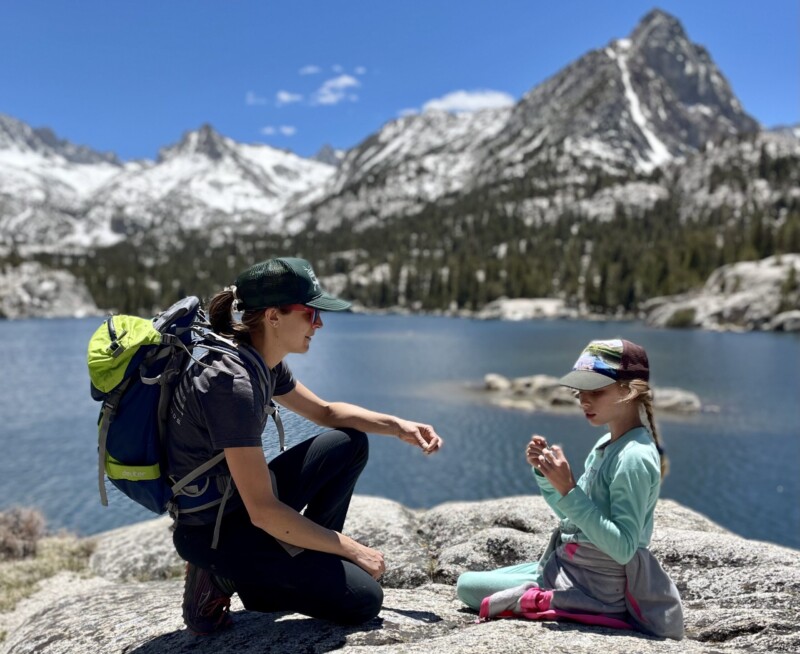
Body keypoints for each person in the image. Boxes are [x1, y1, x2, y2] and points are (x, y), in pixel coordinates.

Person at [166, 256, 443, 634]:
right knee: (363, 601)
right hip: (214, 532)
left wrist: (397, 426)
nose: (320, 323)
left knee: (348, 444)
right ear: (272, 316)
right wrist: (350, 548)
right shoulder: (233, 385)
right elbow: (263, 511)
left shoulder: (260, 360)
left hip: (236, 507)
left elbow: (327, 413)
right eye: (310, 313)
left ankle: (277, 578)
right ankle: (218, 577)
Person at [456, 339, 683, 639]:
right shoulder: (607, 444)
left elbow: (625, 548)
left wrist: (570, 489)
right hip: (572, 563)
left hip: (596, 584)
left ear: (628, 391)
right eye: (580, 392)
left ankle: (574, 603)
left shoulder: (634, 457)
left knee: (466, 586)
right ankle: (545, 587)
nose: (584, 401)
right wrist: (549, 477)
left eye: (596, 391)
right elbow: (575, 518)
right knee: (486, 578)